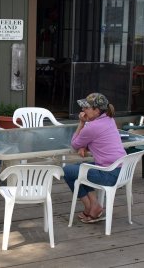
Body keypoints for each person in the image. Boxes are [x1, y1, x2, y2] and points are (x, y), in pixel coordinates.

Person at [63, 93, 126, 223]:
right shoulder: (109, 119)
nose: (83, 110)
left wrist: (81, 123)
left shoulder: (92, 127)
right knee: (76, 168)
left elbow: (75, 144)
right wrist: (84, 145)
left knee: (67, 171)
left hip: (109, 174)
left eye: (86, 108)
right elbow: (94, 140)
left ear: (96, 111)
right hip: (122, 170)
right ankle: (94, 205)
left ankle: (90, 206)